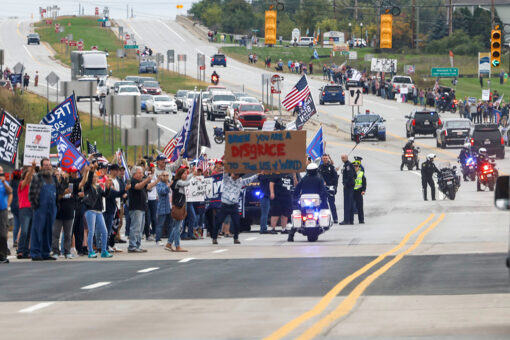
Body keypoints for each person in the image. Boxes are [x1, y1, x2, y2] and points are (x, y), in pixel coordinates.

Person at [29, 158, 65, 261]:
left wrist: (63, 180)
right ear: (41, 167)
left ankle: (46, 252)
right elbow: (31, 194)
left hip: (52, 208)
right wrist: (36, 206)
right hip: (40, 208)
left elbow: (60, 191)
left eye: (49, 165)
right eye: (45, 165)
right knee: (37, 230)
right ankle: (35, 253)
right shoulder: (37, 177)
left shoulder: (53, 178)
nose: (48, 167)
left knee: (49, 231)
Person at [212, 172, 259, 244]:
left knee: (236, 223)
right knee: (219, 221)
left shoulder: (240, 181)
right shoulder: (226, 179)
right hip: (225, 204)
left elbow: (249, 179)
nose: (236, 176)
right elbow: (225, 173)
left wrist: (257, 174)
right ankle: (214, 238)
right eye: (234, 174)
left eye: (237, 175)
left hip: (234, 205)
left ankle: (236, 238)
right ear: (231, 174)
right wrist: (226, 164)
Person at [80, 163, 113, 259]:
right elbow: (89, 179)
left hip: (99, 211)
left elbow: (105, 195)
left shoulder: (98, 187)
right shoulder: (87, 186)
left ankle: (103, 250)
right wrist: (91, 171)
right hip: (90, 210)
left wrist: (108, 187)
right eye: (93, 177)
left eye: (96, 177)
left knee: (105, 231)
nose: (95, 178)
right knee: (91, 231)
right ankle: (90, 251)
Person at [289, 163, 328, 242]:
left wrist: (295, 195)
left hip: (305, 202)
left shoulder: (304, 179)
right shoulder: (319, 179)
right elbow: (323, 191)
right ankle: (291, 233)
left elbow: (297, 189)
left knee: (299, 213)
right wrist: (324, 196)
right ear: (316, 170)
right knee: (298, 214)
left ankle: (291, 234)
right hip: (315, 202)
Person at [165, 167, 196, 252]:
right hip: (177, 207)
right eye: (184, 173)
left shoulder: (179, 180)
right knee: (177, 228)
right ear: (180, 174)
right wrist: (194, 179)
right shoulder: (178, 182)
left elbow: (188, 178)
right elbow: (186, 183)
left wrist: (193, 174)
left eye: (186, 173)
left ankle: (169, 244)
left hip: (180, 206)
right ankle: (177, 246)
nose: (186, 175)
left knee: (177, 227)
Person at [127, 166, 152, 253]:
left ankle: (137, 245)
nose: (141, 174)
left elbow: (148, 187)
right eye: (139, 173)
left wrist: (157, 180)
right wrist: (146, 180)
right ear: (134, 174)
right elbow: (138, 187)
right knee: (135, 227)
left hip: (142, 207)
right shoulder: (133, 181)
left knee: (140, 228)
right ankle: (132, 245)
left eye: (142, 173)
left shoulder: (141, 182)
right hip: (136, 207)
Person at [51, 169, 73, 259]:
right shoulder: (54, 185)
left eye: (59, 174)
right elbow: (57, 196)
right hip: (58, 212)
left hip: (69, 211)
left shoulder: (70, 184)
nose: (59, 176)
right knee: (56, 233)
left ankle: (67, 251)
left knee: (68, 234)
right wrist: (64, 192)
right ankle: (56, 251)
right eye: (57, 175)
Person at [17, 162, 36, 259]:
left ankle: (26, 251)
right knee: (24, 231)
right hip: (24, 208)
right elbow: (27, 180)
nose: (31, 175)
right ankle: (20, 250)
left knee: (29, 232)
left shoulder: (33, 186)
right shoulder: (22, 184)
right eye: (29, 174)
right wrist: (32, 167)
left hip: (32, 209)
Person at [319, 154, 339, 224]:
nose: (325, 159)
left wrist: (335, 187)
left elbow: (336, 178)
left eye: (326, 158)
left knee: (332, 204)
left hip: (330, 188)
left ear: (328, 159)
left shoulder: (331, 167)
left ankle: (335, 218)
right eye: (324, 158)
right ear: (322, 159)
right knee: (323, 204)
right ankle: (325, 219)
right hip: (322, 189)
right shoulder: (319, 168)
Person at [0, 166, 12, 264]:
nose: (1, 173)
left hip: (2, 210)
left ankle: (2, 254)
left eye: (1, 171)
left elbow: (10, 191)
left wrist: (4, 182)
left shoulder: (4, 183)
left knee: (3, 233)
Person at [156, 171, 172, 246]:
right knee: (160, 224)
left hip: (168, 207)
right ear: (161, 176)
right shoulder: (159, 184)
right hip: (162, 207)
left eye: (167, 175)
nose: (166, 177)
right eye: (164, 175)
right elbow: (162, 191)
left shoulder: (168, 183)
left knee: (170, 224)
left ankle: (170, 239)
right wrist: (168, 186)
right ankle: (158, 239)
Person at [340, 155, 355, 225]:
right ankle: (351, 220)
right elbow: (355, 174)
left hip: (348, 187)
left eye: (343, 158)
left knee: (347, 204)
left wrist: (345, 183)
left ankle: (346, 220)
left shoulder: (348, 165)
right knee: (350, 203)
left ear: (346, 158)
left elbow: (350, 175)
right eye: (341, 158)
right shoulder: (348, 165)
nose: (342, 159)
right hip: (350, 186)